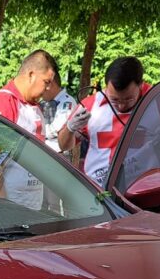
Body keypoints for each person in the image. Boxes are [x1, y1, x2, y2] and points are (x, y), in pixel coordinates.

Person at [0, 49, 57, 209]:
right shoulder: (3, 103)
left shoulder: (34, 107)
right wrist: (5, 208)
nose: (49, 88)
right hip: (7, 209)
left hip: (30, 205)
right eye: (46, 82)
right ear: (31, 74)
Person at [58, 56, 151, 186]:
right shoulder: (91, 105)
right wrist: (70, 127)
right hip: (99, 189)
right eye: (114, 100)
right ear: (106, 87)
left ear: (141, 85)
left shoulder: (157, 99)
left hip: (144, 189)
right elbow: (63, 146)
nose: (121, 106)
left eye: (128, 99)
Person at [38, 55, 76, 153]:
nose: (40, 91)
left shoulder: (67, 103)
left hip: (57, 155)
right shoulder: (43, 103)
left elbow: (57, 129)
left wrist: (35, 130)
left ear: (50, 84)